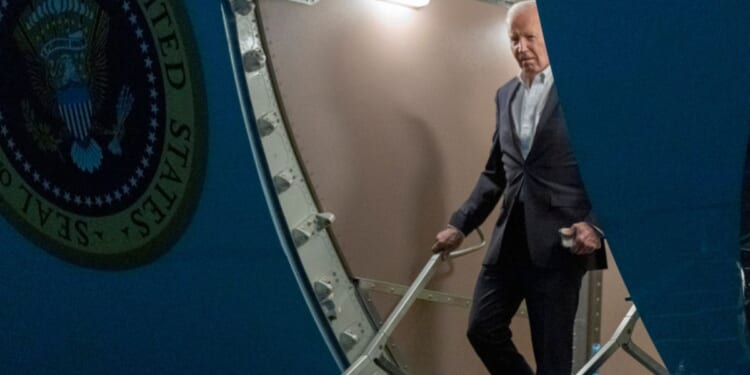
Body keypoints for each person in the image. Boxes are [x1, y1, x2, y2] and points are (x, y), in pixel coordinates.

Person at [431, 1, 607, 374]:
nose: (521, 47)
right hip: (508, 242)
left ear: (552, 39)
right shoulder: (505, 94)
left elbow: (611, 172)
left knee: (553, 358)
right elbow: (496, 173)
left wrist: (594, 224)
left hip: (560, 245)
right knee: (482, 329)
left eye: (530, 37)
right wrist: (460, 224)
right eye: (514, 38)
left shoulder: (584, 90)